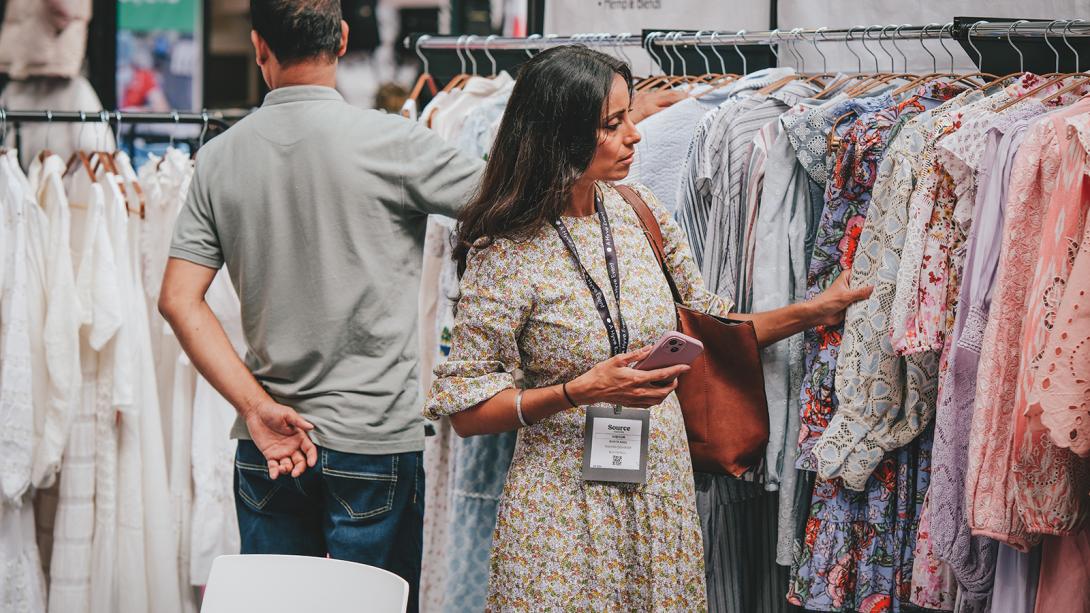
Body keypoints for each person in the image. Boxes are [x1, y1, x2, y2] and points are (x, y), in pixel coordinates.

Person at [423, 45, 873, 611]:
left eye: (629, 116)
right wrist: (575, 391)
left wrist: (813, 311)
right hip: (560, 516)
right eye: (613, 124)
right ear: (558, 133)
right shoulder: (505, 251)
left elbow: (711, 325)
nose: (635, 134)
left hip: (658, 493)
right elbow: (465, 411)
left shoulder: (642, 211)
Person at [157, 1, 483, 609]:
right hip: (374, 440)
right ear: (342, 39)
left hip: (269, 445)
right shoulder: (396, 143)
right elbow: (510, 202)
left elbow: (179, 300)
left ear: (259, 48)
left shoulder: (220, 159)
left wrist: (255, 409)